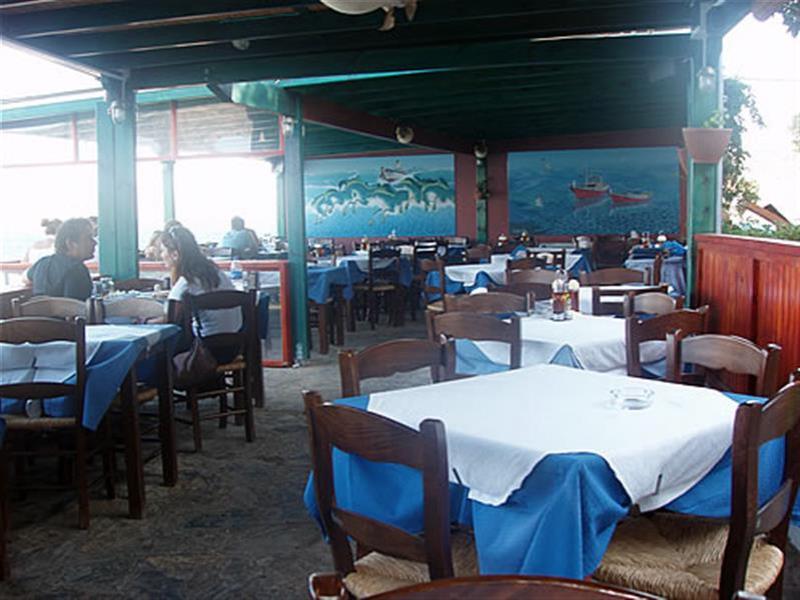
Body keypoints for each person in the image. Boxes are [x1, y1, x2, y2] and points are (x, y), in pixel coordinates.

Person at [161, 226, 242, 362]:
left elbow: (170, 319)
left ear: (175, 254)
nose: (161, 255)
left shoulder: (186, 282)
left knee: (161, 351)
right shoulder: (217, 273)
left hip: (203, 353)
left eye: (163, 251)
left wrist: (144, 321)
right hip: (234, 348)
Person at [26, 218, 95, 301]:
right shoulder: (78, 269)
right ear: (70, 243)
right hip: (71, 310)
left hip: (40, 309)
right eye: (89, 238)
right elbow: (78, 306)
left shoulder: (42, 263)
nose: (95, 243)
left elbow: (25, 278)